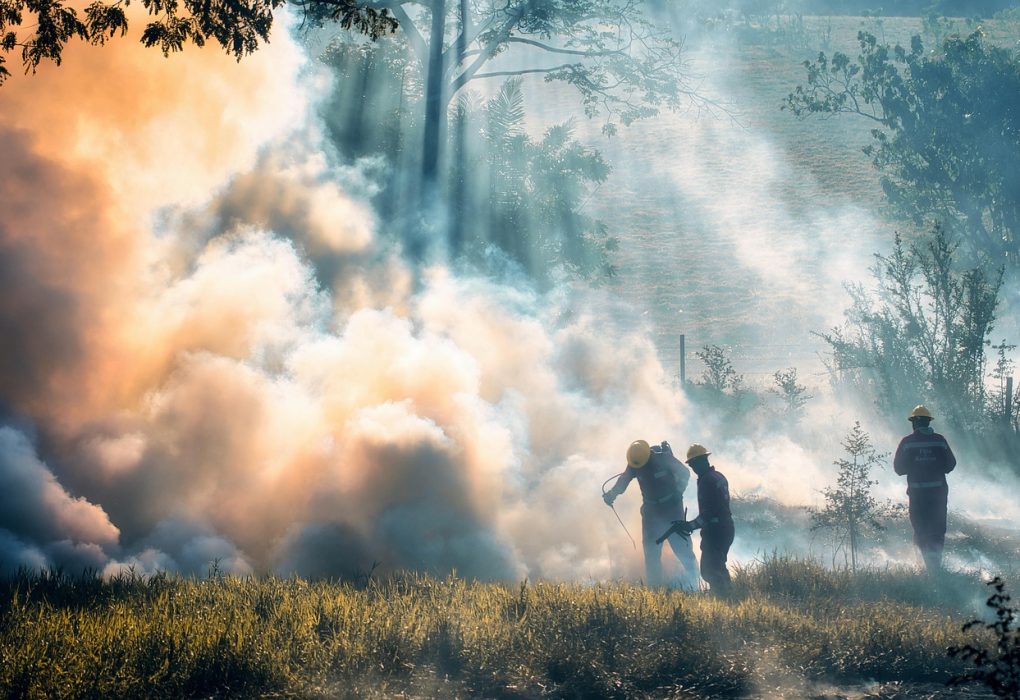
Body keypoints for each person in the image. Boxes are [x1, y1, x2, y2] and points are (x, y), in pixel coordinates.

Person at [602, 439, 700, 589]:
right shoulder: (636, 463)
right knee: (651, 552)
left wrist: (679, 491)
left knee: (683, 549)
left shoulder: (663, 458)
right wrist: (612, 494)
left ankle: (696, 584)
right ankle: (655, 589)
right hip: (651, 513)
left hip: (673, 509)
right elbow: (623, 480)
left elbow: (685, 473)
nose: (641, 467)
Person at [662, 444, 734, 595]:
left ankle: (723, 597)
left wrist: (690, 526)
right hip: (726, 528)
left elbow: (708, 513)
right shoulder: (719, 476)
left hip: (715, 532)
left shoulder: (706, 481)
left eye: (693, 464)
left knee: (709, 570)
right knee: (718, 566)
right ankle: (727, 594)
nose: (693, 468)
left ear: (701, 462)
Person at [893, 405, 956, 574]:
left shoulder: (907, 443)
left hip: (918, 495)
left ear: (914, 423)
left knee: (920, 529)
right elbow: (951, 464)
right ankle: (935, 567)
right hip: (938, 495)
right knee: (937, 530)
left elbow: (898, 469)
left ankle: (924, 566)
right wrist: (936, 466)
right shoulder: (940, 440)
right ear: (928, 422)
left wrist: (914, 466)